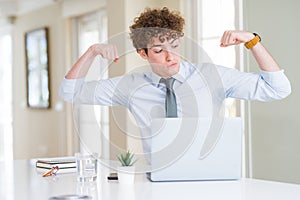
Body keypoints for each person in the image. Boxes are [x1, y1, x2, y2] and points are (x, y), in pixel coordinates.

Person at [59, 7, 291, 156]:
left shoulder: (213, 76)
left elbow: (278, 89)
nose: (171, 57)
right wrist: (91, 52)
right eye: (159, 50)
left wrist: (252, 41)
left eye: (175, 46)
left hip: (211, 178)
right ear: (143, 53)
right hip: (157, 182)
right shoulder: (130, 86)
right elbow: (70, 92)